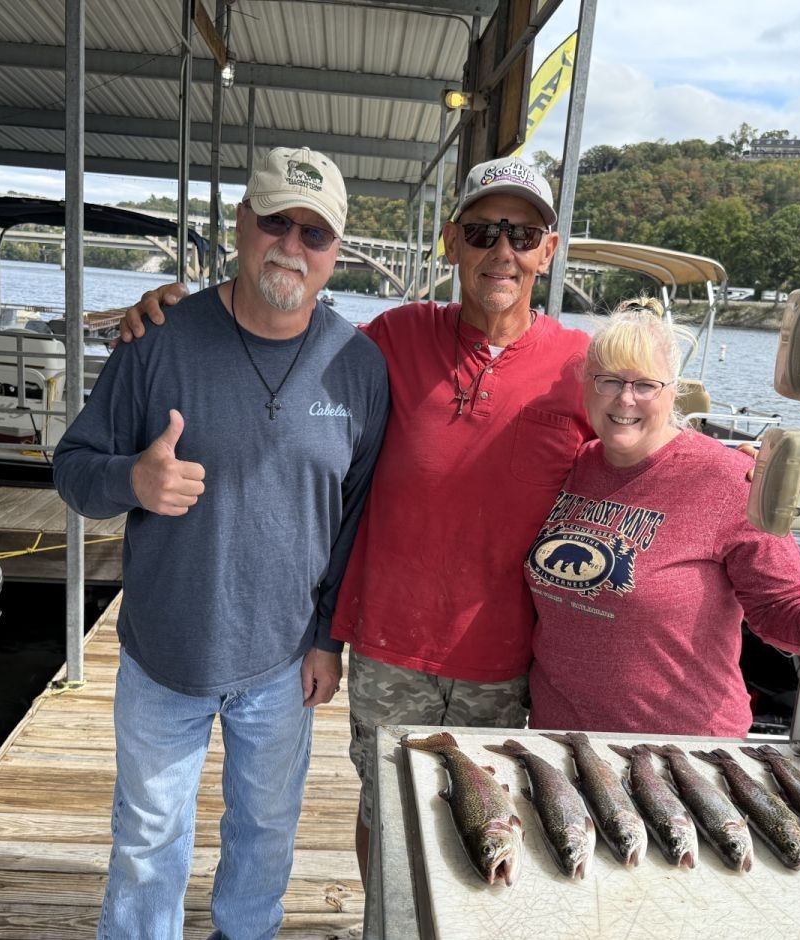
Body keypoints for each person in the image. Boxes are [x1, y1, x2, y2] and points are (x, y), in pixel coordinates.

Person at [117, 156, 592, 877]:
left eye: (523, 235)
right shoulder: (387, 342)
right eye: (482, 231)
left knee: (489, 826)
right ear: (451, 242)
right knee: (387, 812)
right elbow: (284, 322)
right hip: (386, 648)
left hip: (503, 658)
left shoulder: (580, 367)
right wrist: (173, 315)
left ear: (548, 250)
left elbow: (640, 453)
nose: (503, 251)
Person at [53, 146, 389, 940]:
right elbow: (72, 468)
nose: (292, 245)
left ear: (336, 251)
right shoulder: (157, 338)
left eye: (315, 233)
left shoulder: (361, 366)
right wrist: (131, 483)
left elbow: (356, 518)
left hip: (282, 664)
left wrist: (328, 638)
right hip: (163, 655)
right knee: (146, 842)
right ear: (241, 225)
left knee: (266, 839)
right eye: (275, 221)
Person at [525, 298, 800, 736]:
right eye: (609, 381)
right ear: (586, 386)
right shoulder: (570, 467)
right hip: (559, 742)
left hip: (681, 751)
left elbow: (778, 606)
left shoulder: (729, 479)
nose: (625, 399)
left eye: (646, 385)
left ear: (673, 391)